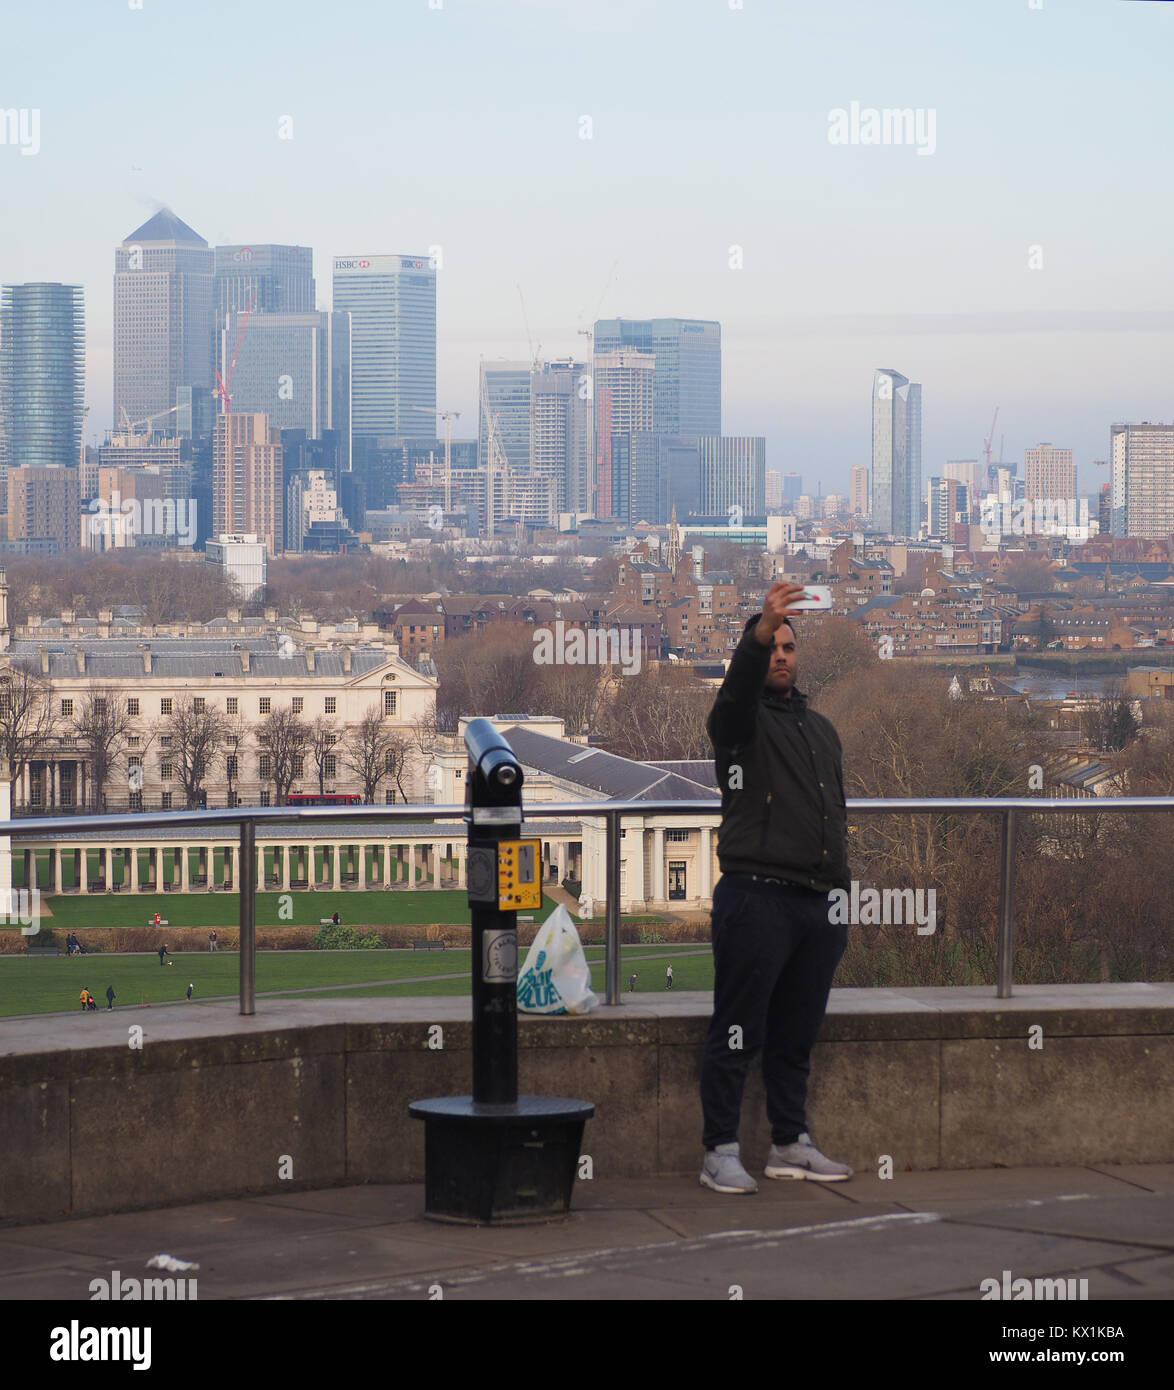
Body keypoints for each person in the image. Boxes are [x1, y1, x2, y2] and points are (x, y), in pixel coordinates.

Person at [700, 582, 854, 1195]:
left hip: (817, 903)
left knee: (796, 1035)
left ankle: (790, 1142)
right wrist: (758, 629)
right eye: (772, 647)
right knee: (737, 1031)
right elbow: (736, 690)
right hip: (755, 897)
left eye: (790, 646)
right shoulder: (739, 724)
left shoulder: (821, 730)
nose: (782, 656)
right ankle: (719, 1150)